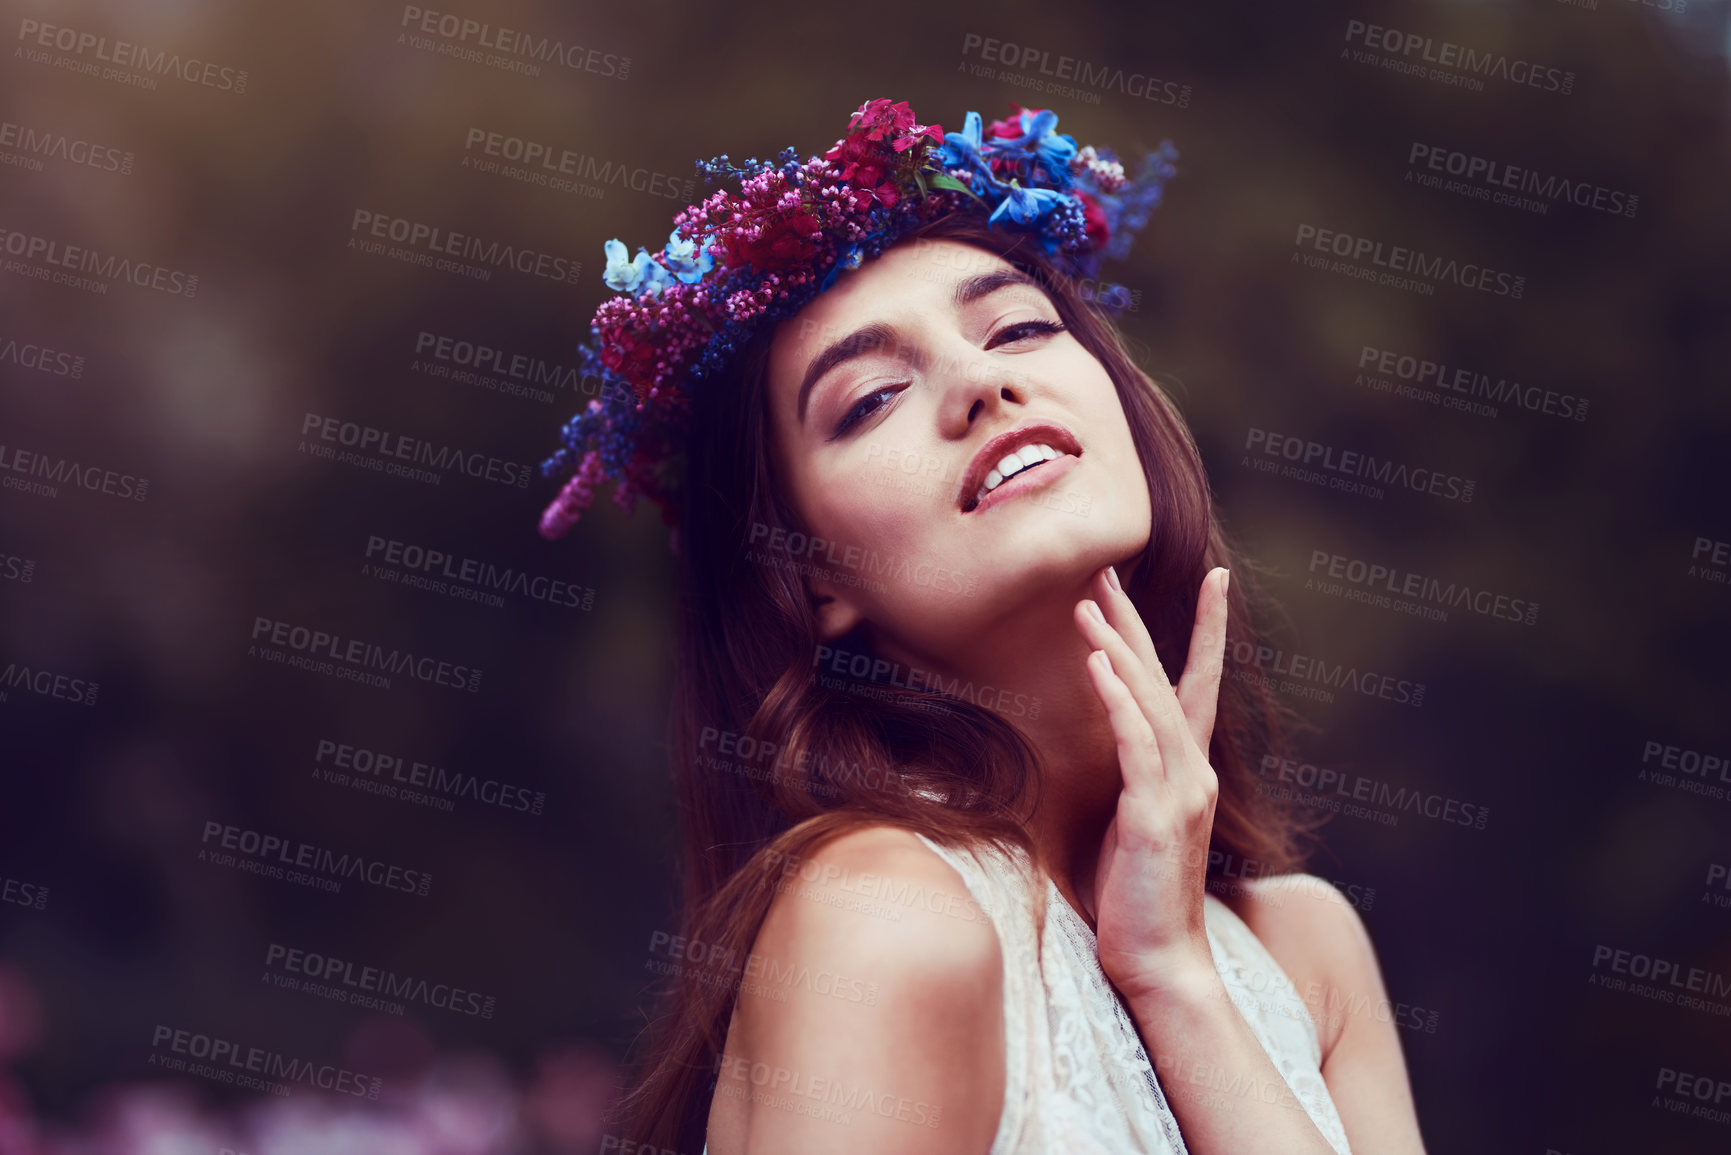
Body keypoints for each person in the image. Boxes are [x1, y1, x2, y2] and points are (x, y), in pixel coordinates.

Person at [537, 99, 1428, 1154]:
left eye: (1016, 328)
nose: (979, 382)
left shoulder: (1311, 948)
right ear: (812, 574)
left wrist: (1176, 978)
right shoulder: (882, 917)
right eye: (869, 399)